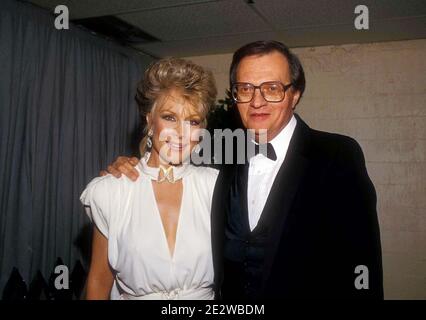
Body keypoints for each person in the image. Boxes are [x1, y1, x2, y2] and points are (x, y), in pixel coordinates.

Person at [105, 40, 383, 299]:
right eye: (246, 88)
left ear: (295, 94)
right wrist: (129, 166)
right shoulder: (214, 154)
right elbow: (166, 160)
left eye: (272, 88)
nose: (257, 101)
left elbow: (362, 265)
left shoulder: (337, 156)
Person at [81, 57, 218, 300]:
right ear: (149, 120)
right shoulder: (112, 191)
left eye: (192, 121)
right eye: (170, 117)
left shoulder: (217, 186)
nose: (181, 133)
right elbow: (99, 280)